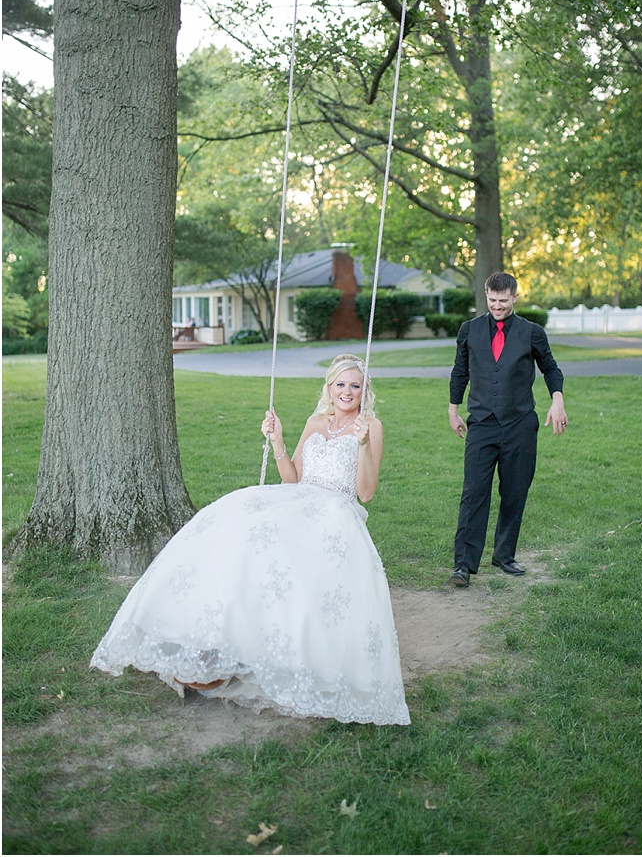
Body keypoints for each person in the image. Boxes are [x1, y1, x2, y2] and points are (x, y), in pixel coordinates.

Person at [91, 356, 410, 725]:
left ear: (364, 390)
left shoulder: (370, 426)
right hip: (298, 499)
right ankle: (218, 640)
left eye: (355, 385)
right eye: (340, 384)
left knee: (285, 557)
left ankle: (266, 648)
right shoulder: (315, 422)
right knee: (236, 525)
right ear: (329, 388)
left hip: (335, 510)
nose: (347, 392)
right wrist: (277, 441)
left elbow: (366, 493)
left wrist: (364, 446)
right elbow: (293, 479)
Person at [448, 273, 567, 588]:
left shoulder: (532, 333)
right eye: (492, 300)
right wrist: (453, 409)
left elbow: (551, 368)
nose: (497, 306)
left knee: (514, 493)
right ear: (486, 296)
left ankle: (504, 555)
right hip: (481, 425)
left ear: (515, 297)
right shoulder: (469, 331)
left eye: (503, 300)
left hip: (520, 425)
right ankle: (463, 564)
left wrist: (558, 401)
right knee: (474, 493)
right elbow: (460, 370)